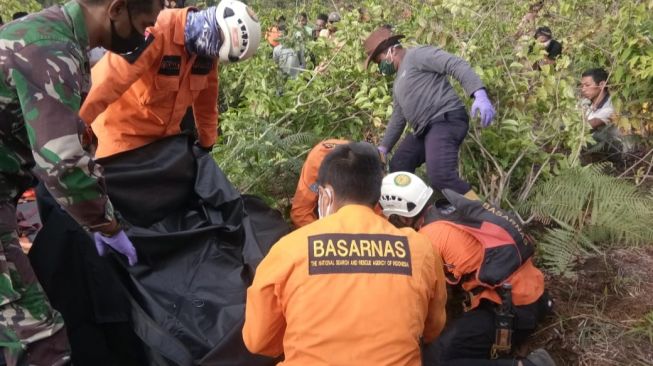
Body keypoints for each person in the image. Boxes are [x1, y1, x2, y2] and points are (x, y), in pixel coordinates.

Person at [0, 0, 163, 364]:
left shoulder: (56, 35)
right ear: (117, 10)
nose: (146, 34)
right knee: (40, 341)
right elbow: (63, 165)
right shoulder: (50, 50)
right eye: (144, 23)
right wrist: (107, 225)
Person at [243, 142, 447, 365]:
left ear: (325, 194)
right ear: (377, 192)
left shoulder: (289, 249)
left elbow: (259, 341)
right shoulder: (420, 250)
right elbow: (432, 329)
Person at [379, 172, 555, 366]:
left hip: (511, 310)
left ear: (401, 218)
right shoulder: (450, 209)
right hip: (533, 293)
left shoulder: (427, 240)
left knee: (433, 359)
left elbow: (429, 304)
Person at [80, 0, 261, 158]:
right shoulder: (157, 30)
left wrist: (207, 142)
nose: (212, 56)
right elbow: (109, 80)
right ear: (216, 28)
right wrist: (73, 129)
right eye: (217, 44)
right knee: (116, 193)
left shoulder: (207, 52)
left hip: (164, 143)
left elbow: (207, 102)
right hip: (122, 139)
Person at [363, 27, 496, 201]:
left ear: (391, 50)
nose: (380, 67)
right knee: (399, 165)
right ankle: (414, 214)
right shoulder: (397, 84)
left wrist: (478, 93)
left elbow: (454, 63)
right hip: (423, 129)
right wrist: (383, 148)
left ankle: (481, 213)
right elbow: (398, 117)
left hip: (445, 119)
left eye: (379, 61)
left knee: (441, 176)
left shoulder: (417, 55)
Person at [290, 139, 349, 228]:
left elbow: (373, 216)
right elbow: (300, 213)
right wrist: (322, 235)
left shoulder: (366, 173)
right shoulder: (316, 163)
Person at [579, 68, 622, 163]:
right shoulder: (584, 102)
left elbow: (590, 125)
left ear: (602, 85)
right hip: (598, 149)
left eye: (587, 85)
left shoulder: (612, 104)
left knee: (591, 138)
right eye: (582, 86)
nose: (583, 89)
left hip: (615, 150)